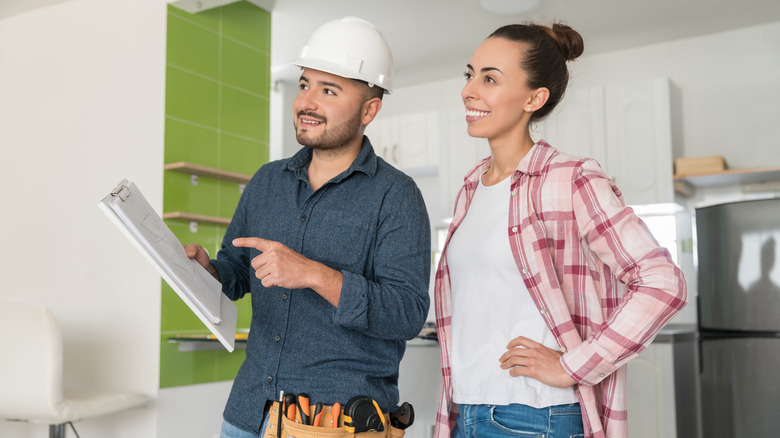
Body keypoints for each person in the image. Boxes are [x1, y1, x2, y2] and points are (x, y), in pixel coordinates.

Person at [433, 23, 687, 438]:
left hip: (534, 418)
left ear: (534, 98)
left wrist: (573, 365)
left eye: (490, 78)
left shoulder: (570, 178)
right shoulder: (469, 187)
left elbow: (663, 283)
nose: (469, 90)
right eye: (470, 74)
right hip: (464, 412)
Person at [185, 16, 431, 438]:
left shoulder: (396, 195)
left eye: (328, 90)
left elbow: (407, 313)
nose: (306, 102)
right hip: (247, 412)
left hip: (335, 422)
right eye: (304, 85)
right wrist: (209, 273)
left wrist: (314, 274)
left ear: (370, 109)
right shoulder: (267, 181)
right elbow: (238, 271)